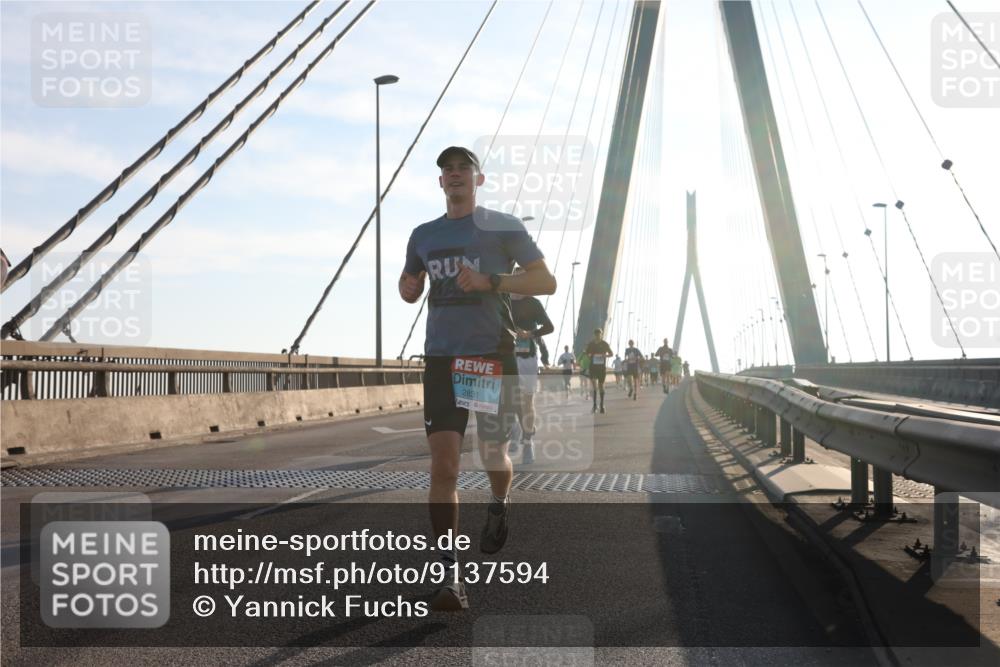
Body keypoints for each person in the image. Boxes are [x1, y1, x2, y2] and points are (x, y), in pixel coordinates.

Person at [399, 145, 556, 611]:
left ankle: (499, 503)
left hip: (487, 357)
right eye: (446, 169)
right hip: (441, 361)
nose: (454, 174)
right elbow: (411, 288)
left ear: (478, 179)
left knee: (492, 454)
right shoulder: (422, 235)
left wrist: (492, 282)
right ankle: (450, 576)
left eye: (463, 168)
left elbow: (544, 281)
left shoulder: (503, 227)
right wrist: (408, 289)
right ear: (440, 183)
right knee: (444, 467)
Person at [509, 274, 554, 464]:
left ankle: (528, 443)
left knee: (527, 402)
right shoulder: (502, 301)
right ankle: (515, 429)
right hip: (506, 356)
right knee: (508, 400)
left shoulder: (533, 303)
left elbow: (549, 327)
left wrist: (530, 333)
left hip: (527, 357)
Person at [584, 328, 613, 413]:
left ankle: (602, 405)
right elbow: (586, 352)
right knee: (594, 386)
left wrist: (605, 356)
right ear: (594, 334)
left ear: (601, 334)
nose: (597, 335)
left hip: (601, 368)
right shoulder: (591, 344)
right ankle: (594, 405)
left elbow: (611, 353)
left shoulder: (605, 344)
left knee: (601, 386)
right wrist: (589, 356)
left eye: (599, 334)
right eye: (596, 334)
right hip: (593, 367)